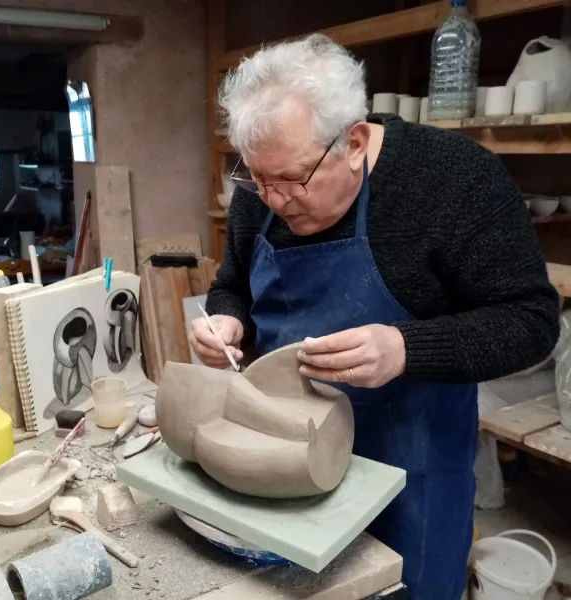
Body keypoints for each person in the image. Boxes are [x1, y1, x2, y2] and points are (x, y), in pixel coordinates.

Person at [189, 35, 559, 600]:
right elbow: (231, 285)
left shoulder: (455, 181)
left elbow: (531, 321)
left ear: (355, 141)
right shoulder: (264, 186)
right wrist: (226, 321)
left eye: (292, 181)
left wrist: (406, 349)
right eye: (257, 180)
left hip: (410, 468)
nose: (273, 200)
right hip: (282, 454)